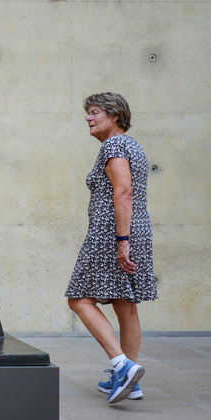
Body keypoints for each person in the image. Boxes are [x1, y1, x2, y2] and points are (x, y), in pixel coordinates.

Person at [65, 93, 157, 403]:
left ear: (114, 116)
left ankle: (122, 365)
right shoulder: (134, 146)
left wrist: (122, 242)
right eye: (88, 113)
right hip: (135, 231)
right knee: (125, 305)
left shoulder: (115, 146)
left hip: (111, 235)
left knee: (78, 300)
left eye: (94, 113)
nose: (88, 118)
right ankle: (130, 381)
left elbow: (124, 192)